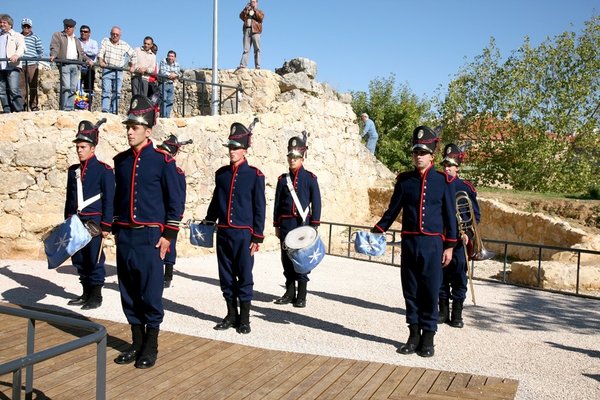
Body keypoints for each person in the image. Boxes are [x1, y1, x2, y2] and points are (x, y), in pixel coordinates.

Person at [112, 95, 185, 369]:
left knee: (150, 293)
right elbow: (119, 198)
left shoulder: (162, 160)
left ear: (148, 130)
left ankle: (151, 345)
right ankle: (136, 342)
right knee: (128, 292)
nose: (130, 131)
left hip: (150, 236)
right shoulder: (120, 161)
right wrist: (117, 229)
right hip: (126, 236)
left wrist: (168, 236)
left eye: (135, 126)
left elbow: (175, 201)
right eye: (128, 126)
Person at [372, 125, 457, 358]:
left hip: (432, 245)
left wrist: (450, 245)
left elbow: (450, 215)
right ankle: (413, 335)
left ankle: (428, 338)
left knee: (430, 291)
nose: (418, 156)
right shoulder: (405, 180)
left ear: (432, 155)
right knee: (410, 291)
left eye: (423, 152)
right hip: (409, 243)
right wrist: (378, 229)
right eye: (415, 152)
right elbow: (393, 210)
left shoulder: (443, 181)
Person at [205, 121, 266, 334]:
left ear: (245, 150)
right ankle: (231, 315)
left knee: (244, 276)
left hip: (243, 234)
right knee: (226, 276)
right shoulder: (221, 174)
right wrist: (208, 220)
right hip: (224, 232)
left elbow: (260, 207)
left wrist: (257, 237)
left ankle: (245, 319)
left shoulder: (255, 175)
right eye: (230, 147)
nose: (232, 151)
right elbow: (216, 200)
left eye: (236, 148)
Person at [64, 118, 114, 310]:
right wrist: (67, 222)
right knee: (79, 258)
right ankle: (85, 293)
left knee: (94, 258)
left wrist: (106, 225)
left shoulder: (104, 170)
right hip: (76, 221)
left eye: (83, 146)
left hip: (94, 221)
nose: (79, 150)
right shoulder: (73, 171)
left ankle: (96, 295)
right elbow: (69, 199)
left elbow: (110, 199)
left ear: (92, 148)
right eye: (78, 146)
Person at [273, 133, 321, 308]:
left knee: (301, 259)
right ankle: (289, 292)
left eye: (296, 157)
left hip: (302, 225)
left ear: (302, 158)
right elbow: (278, 204)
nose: (292, 160)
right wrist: (277, 224)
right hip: (286, 225)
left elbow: (316, 202)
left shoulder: (310, 178)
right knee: (286, 259)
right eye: (290, 157)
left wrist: (314, 225)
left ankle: (301, 295)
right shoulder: (282, 179)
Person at [438, 143, 480, 328]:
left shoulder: (465, 187)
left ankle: (457, 315)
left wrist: (468, 234)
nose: (447, 168)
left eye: (451, 165)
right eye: (445, 165)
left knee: (458, 278)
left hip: (460, 240)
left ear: (457, 168)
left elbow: (475, 215)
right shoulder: (437, 184)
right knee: (440, 277)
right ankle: (442, 312)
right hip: (440, 238)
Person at [156, 134, 189, 288]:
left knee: (170, 245)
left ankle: (167, 275)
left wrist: (177, 215)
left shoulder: (177, 173)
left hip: (169, 213)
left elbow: (179, 195)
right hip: (155, 213)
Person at [49, 19, 93, 111]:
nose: (68, 28)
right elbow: (55, 47)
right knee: (66, 87)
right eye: (66, 26)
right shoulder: (58, 35)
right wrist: (53, 55)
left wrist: (88, 60)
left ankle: (69, 107)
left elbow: (81, 53)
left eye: (70, 27)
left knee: (73, 88)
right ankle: (64, 107)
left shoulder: (76, 40)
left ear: (74, 28)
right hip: (65, 63)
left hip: (76, 65)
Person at [97, 26, 136, 113]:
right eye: (113, 34)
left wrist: (132, 66)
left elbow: (133, 54)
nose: (115, 36)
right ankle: (105, 110)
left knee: (117, 92)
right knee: (106, 90)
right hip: (108, 68)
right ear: (110, 34)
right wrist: (100, 60)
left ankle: (114, 110)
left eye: (117, 34)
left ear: (120, 35)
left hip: (119, 70)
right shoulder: (106, 41)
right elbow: (101, 51)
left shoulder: (124, 44)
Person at [0, 14, 25, 113]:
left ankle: (19, 110)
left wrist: (16, 55)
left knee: (14, 89)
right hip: (1, 66)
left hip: (12, 66)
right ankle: (7, 111)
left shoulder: (17, 35)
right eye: (1, 22)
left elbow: (21, 47)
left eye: (4, 22)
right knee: (1, 91)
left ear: (10, 24)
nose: (2, 24)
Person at [19, 18, 44, 111]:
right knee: (21, 87)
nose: (26, 28)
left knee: (33, 86)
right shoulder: (18, 36)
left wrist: (37, 61)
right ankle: (23, 106)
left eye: (28, 26)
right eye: (25, 26)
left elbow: (40, 50)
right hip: (20, 64)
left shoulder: (35, 37)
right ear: (22, 26)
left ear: (31, 27)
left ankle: (34, 106)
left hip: (32, 64)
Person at [237, 0, 264, 70]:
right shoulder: (247, 10)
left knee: (257, 49)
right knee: (246, 49)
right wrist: (246, 8)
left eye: (254, 1)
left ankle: (257, 65)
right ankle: (243, 65)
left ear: (257, 3)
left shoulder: (260, 11)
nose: (253, 3)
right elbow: (241, 16)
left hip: (256, 31)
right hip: (247, 30)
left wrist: (254, 9)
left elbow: (260, 18)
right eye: (251, 1)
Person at [158, 50, 180, 118]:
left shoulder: (177, 64)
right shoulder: (163, 61)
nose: (170, 58)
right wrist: (171, 75)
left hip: (171, 84)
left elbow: (178, 73)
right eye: (169, 56)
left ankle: (167, 116)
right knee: (163, 100)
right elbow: (163, 72)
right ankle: (163, 116)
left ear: (175, 58)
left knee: (170, 101)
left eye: (172, 56)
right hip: (163, 83)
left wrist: (174, 75)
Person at [78, 25, 98, 97]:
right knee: (77, 88)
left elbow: (95, 52)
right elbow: (78, 53)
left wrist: (83, 51)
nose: (83, 33)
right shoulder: (77, 41)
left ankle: (88, 105)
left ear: (89, 33)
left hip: (90, 67)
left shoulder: (94, 42)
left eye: (85, 31)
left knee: (89, 88)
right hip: (79, 67)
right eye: (81, 31)